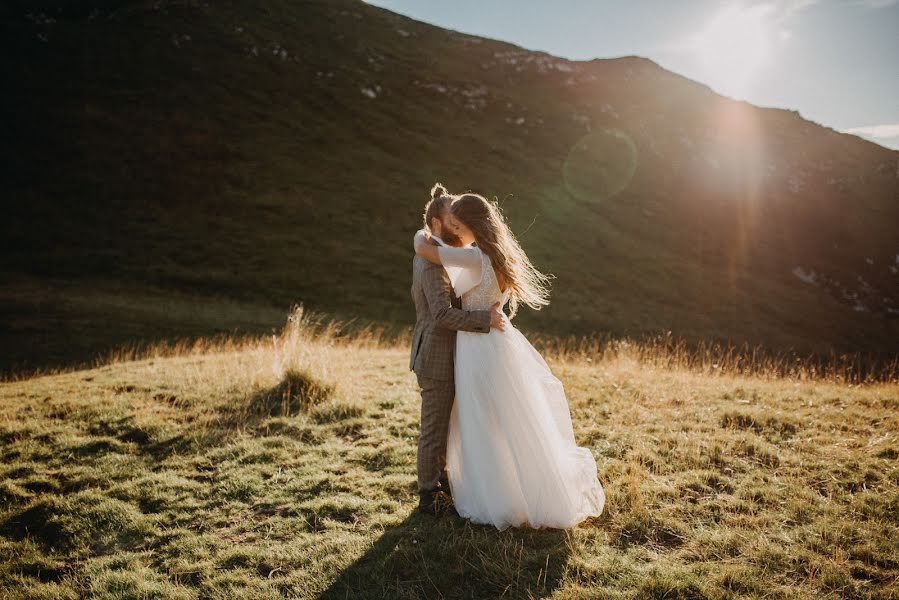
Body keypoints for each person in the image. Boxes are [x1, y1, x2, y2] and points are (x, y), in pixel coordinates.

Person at [412, 189, 605, 530]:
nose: (454, 231)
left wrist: (420, 234)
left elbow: (425, 249)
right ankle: (525, 489)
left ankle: (494, 497)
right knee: (511, 418)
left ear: (471, 223)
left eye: (458, 224)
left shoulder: (472, 258)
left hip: (476, 346)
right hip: (502, 344)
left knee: (480, 420)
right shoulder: (500, 255)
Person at [409, 183, 506, 515]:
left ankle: (448, 484)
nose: (458, 227)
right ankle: (427, 495)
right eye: (452, 221)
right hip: (435, 356)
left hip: (455, 355)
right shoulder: (433, 262)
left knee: (451, 426)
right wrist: (485, 319)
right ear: (437, 224)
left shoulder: (444, 255)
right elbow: (440, 314)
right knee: (433, 429)